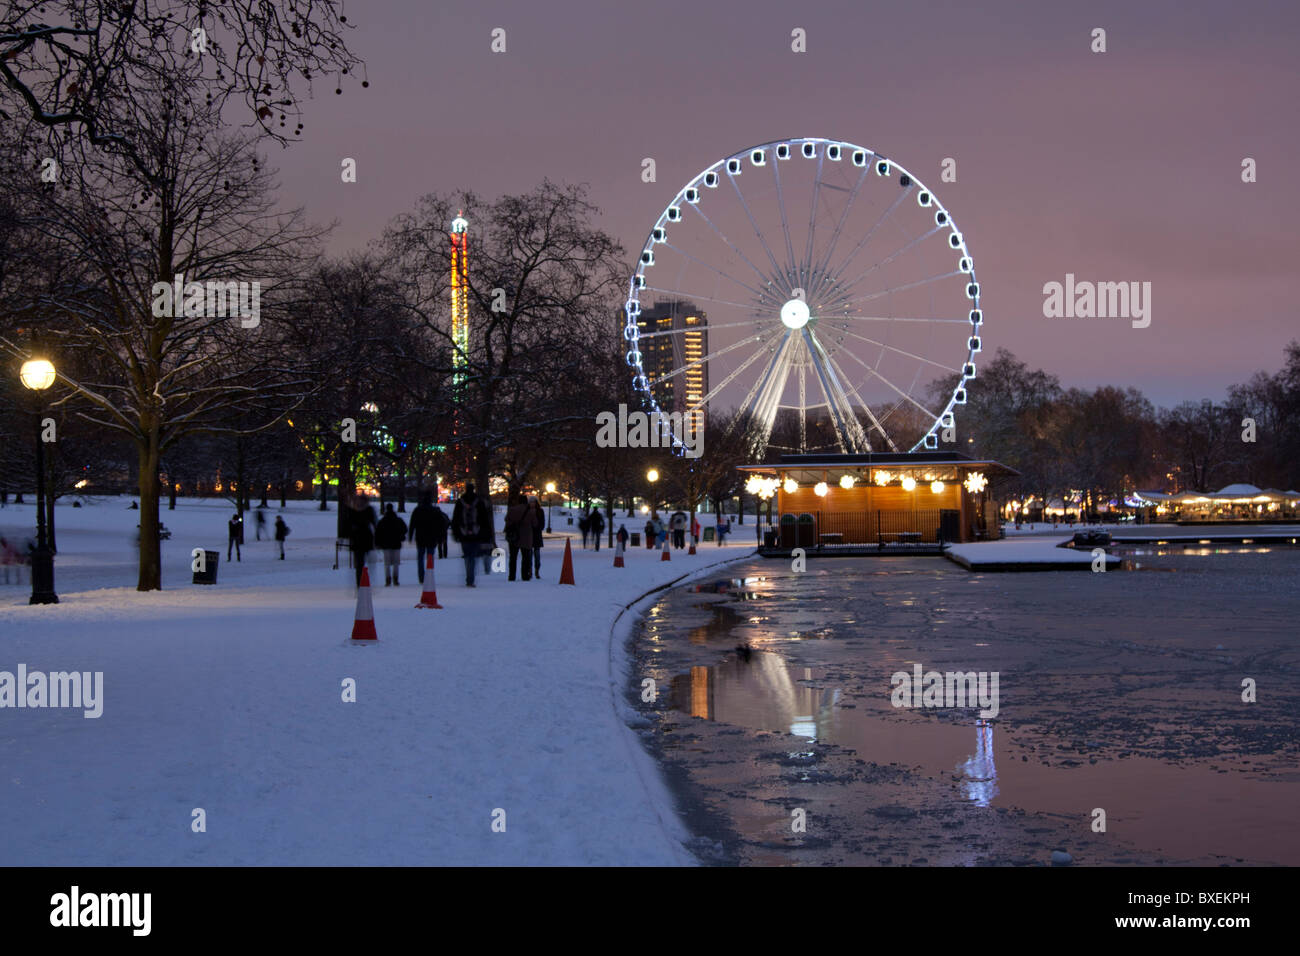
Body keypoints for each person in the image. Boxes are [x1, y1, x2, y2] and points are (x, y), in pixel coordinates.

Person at [451, 483, 492, 587]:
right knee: (473, 557)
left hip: (463, 533)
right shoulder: (479, 502)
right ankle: (471, 578)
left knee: (467, 556)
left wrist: (456, 533)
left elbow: (455, 519)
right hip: (476, 533)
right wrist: (486, 533)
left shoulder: (460, 502)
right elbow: (484, 519)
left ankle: (469, 576)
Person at [407, 490, 442, 583]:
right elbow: (439, 525)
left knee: (420, 558)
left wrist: (410, 535)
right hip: (431, 538)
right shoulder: (434, 510)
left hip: (420, 537)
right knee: (430, 557)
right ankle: (429, 574)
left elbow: (412, 524)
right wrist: (440, 537)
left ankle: (421, 577)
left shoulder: (418, 510)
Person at [504, 492, 535, 581]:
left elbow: (506, 519)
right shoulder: (530, 512)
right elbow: (535, 523)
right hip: (526, 537)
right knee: (525, 557)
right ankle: (525, 576)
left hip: (514, 536)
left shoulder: (512, 509)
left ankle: (512, 576)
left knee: (513, 557)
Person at [347, 494, 377, 586]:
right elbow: (374, 523)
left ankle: (359, 582)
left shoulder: (352, 511)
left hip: (356, 540)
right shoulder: (368, 510)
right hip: (366, 539)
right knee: (368, 562)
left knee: (359, 563)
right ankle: (365, 581)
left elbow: (347, 525)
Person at [376, 504, 408, 586]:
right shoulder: (398, 520)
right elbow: (405, 529)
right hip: (396, 543)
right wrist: (401, 536)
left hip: (386, 544)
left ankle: (388, 579)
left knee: (387, 563)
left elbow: (378, 533)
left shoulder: (382, 521)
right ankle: (395, 578)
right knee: (396, 563)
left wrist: (378, 543)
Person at [530, 496, 544, 578]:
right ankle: (530, 571)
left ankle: (536, 571)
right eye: (531, 502)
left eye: (533, 502)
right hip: (529, 535)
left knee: (537, 555)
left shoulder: (540, 511)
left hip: (537, 535)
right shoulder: (527, 511)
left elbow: (542, 524)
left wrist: (537, 528)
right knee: (529, 555)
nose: (532, 504)